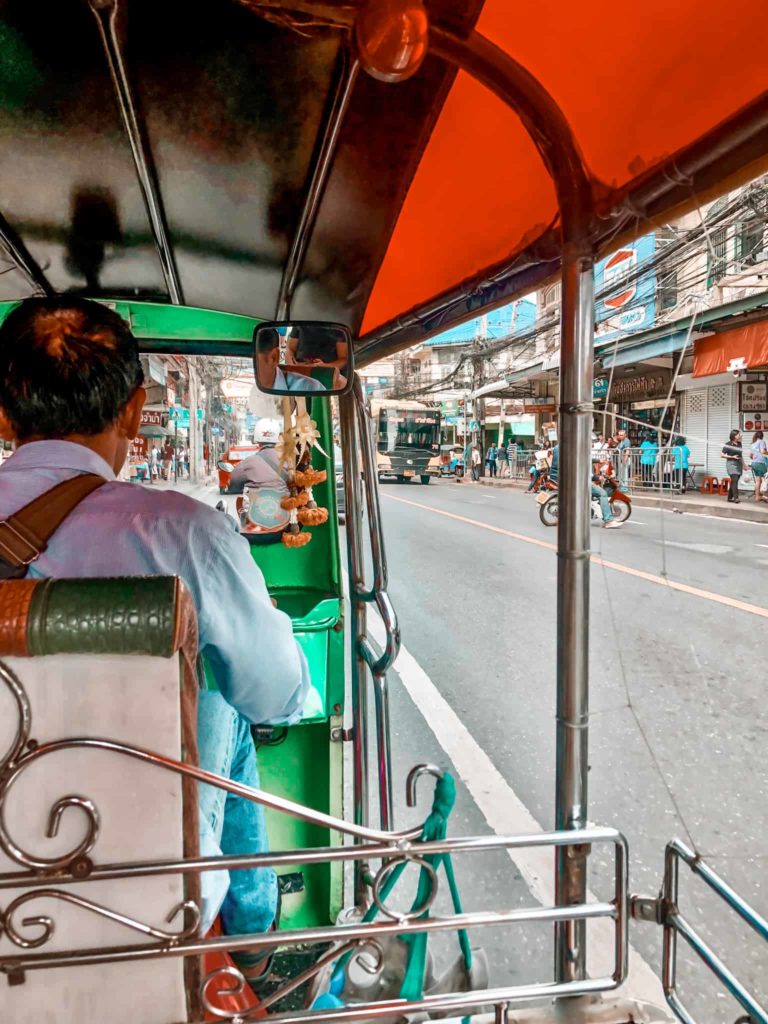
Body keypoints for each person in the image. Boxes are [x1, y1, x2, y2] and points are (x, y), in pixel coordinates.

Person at [0, 297, 310, 975]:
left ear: (3, 413)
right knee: (222, 691)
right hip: (157, 907)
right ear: (136, 412)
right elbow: (279, 697)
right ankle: (253, 941)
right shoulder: (183, 534)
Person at [256, 327, 326, 393]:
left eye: (253, 361)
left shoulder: (311, 388)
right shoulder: (255, 393)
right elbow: (290, 349)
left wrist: (322, 365)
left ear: (274, 358)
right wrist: (293, 363)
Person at [721, 428, 743, 503]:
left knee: (734, 481)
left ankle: (729, 497)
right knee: (735, 480)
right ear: (734, 436)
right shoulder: (728, 444)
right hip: (731, 464)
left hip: (738, 464)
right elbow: (722, 455)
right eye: (738, 434)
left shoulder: (739, 444)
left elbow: (741, 456)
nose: (739, 435)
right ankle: (736, 498)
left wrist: (745, 465)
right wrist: (732, 457)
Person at [749, 429, 768, 503]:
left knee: (758, 480)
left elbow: (750, 455)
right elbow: (763, 451)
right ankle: (766, 497)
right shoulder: (761, 442)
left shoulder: (753, 443)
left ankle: (757, 497)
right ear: (762, 436)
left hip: (754, 463)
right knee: (765, 480)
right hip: (761, 463)